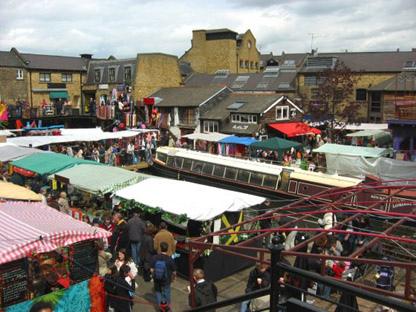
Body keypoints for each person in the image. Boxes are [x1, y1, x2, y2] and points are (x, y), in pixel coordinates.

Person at [151, 242, 177, 308]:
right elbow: (174, 272)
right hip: (166, 279)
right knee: (166, 293)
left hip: (157, 279)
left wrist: (154, 275)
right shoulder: (170, 259)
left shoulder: (154, 257)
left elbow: (151, 269)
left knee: (158, 292)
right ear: (167, 249)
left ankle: (161, 307)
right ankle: (167, 307)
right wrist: (173, 278)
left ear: (160, 248)